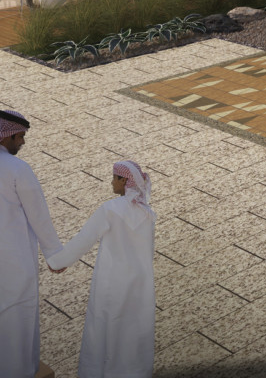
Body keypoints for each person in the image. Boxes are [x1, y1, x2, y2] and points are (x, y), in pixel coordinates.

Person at [45, 161, 156, 378]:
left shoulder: (111, 209)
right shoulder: (148, 213)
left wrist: (58, 262)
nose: (111, 182)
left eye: (115, 178)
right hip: (140, 283)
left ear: (124, 181)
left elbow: (84, 239)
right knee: (133, 330)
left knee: (106, 328)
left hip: (112, 282)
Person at [0, 110, 63, 378]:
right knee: (17, 312)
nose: (22, 143)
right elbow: (38, 215)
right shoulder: (17, 169)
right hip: (13, 257)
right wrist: (55, 255)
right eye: (21, 137)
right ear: (8, 135)